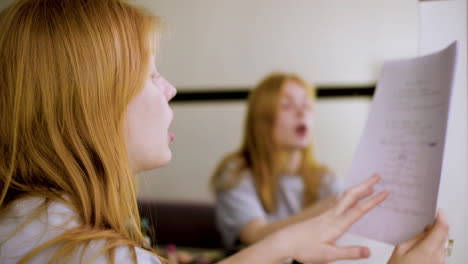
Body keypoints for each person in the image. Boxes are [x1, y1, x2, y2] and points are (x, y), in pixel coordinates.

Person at [0, 0, 449, 264]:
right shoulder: (91, 252)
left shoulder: (34, 221)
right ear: (93, 103)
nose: (171, 88)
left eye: (308, 105)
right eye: (152, 75)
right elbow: (252, 232)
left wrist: (290, 240)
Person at [211, 72, 342, 250]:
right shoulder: (235, 173)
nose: (302, 112)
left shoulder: (325, 178)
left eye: (306, 104)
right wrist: (332, 207)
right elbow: (255, 236)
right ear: (262, 119)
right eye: (287, 105)